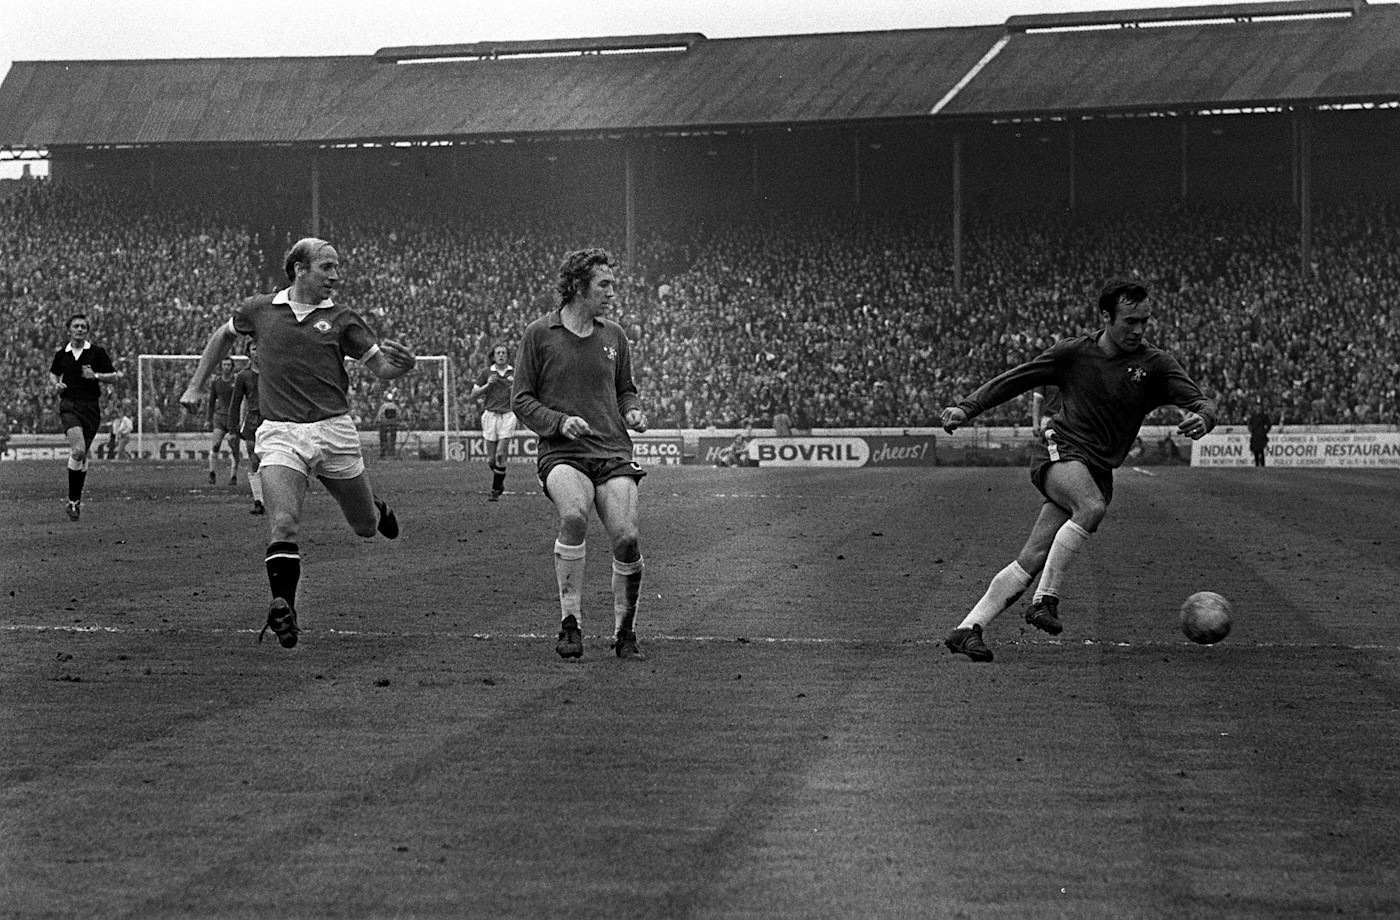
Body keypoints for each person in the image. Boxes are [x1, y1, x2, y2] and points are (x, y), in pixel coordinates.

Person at [940, 278, 1218, 663]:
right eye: (1130, 321)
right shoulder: (1073, 354)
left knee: (1033, 556)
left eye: (1145, 321)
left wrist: (1204, 417)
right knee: (1090, 508)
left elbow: (1202, 402)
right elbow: (1017, 378)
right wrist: (966, 407)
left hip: (1097, 468)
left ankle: (968, 628)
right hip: (1061, 449)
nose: (1139, 330)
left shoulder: (1155, 365)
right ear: (1105, 317)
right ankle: (1045, 601)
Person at [180, 237, 417, 649]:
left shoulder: (344, 319)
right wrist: (196, 386)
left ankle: (375, 506)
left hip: (334, 431)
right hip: (280, 433)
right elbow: (222, 335)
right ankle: (283, 608)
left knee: (364, 527)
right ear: (299, 269)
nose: (335, 276)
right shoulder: (259, 309)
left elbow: (380, 367)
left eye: (336, 267)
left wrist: (401, 368)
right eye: (327, 267)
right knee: (283, 523)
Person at [512, 247, 649, 660]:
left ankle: (625, 632)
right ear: (577, 286)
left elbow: (625, 389)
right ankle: (570, 625)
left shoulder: (614, 335)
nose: (612, 292)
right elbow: (521, 399)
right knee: (573, 516)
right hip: (563, 453)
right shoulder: (539, 334)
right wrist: (558, 422)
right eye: (604, 284)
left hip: (612, 450)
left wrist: (632, 410)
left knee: (626, 538)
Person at [49, 313, 121, 520]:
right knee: (78, 450)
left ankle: (76, 501)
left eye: (83, 327)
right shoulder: (62, 354)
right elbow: (53, 373)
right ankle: (72, 501)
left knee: (83, 455)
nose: (79, 329)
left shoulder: (96, 353)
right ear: (69, 330)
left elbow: (114, 377)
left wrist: (96, 375)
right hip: (69, 405)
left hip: (91, 408)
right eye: (76, 326)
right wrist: (56, 384)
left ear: (87, 331)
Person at [470, 343, 517, 500]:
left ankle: (495, 490)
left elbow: (525, 391)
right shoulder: (486, 373)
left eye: (504, 352)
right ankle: (500, 480)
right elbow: (473, 394)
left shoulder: (514, 373)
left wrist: (515, 391)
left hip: (508, 415)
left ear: (507, 356)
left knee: (501, 452)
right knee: (491, 459)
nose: (501, 355)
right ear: (493, 356)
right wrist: (487, 385)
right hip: (490, 415)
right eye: (498, 353)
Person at [226, 341, 266, 514]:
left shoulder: (271, 373)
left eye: (260, 348)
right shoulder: (243, 376)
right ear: (248, 353)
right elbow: (235, 404)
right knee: (254, 460)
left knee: (274, 461)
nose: (258, 352)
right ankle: (258, 501)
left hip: (272, 419)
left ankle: (274, 497)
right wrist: (232, 430)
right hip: (252, 420)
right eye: (254, 349)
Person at [205, 356, 242, 485]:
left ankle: (233, 476)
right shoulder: (216, 383)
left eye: (228, 365)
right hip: (219, 417)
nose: (226, 367)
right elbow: (211, 402)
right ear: (221, 367)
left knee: (234, 448)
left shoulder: (236, 382)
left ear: (232, 367)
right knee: (216, 445)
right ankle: (212, 473)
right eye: (224, 365)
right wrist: (208, 419)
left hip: (233, 419)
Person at [375, 390, 401, 459]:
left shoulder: (383, 406)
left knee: (383, 439)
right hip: (393, 425)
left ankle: (383, 453)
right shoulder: (395, 406)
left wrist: (377, 421)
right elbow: (399, 415)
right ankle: (392, 452)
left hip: (384, 425)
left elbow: (379, 416)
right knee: (393, 439)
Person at [1247, 398, 1272, 467]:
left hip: (1261, 435)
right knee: (1255, 450)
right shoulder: (1253, 416)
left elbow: (1269, 425)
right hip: (1255, 435)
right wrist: (1251, 431)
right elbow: (1250, 425)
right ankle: (1257, 464)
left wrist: (1265, 432)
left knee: (1261, 450)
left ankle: (1263, 465)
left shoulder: (1264, 416)